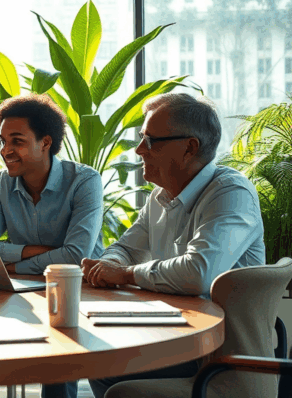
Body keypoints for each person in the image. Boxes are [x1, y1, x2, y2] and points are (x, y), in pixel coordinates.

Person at [81, 93, 265, 398]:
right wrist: (109, 263)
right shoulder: (161, 196)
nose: (139, 149)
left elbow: (198, 273)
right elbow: (125, 248)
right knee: (100, 364)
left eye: (151, 141)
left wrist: (124, 274)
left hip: (216, 356)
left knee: (107, 368)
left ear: (189, 148)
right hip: (177, 338)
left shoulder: (230, 193)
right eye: (141, 138)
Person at [0, 93, 104, 398]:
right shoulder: (3, 182)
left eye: (16, 141)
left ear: (45, 143)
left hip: (76, 296)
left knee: (58, 365)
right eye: (2, 141)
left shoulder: (85, 181)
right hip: (17, 291)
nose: (5, 150)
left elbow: (76, 256)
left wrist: (10, 261)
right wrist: (32, 253)